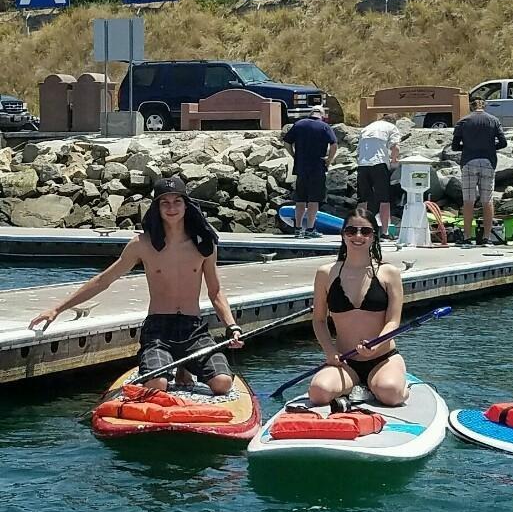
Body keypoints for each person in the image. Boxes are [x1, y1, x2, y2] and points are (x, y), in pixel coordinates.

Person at [27, 176, 242, 395]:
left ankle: (183, 366)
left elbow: (215, 292)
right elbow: (103, 280)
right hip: (159, 329)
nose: (171, 208)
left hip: (194, 329)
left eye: (177, 201)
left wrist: (232, 327)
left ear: (186, 205)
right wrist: (57, 309)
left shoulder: (204, 244)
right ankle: (171, 365)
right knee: (157, 386)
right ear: (156, 208)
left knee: (223, 384)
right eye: (164, 202)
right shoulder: (142, 245)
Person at [307, 209, 407, 407]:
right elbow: (319, 320)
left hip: (382, 358)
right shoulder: (325, 273)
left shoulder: (389, 273)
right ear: (343, 235)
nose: (358, 236)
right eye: (351, 231)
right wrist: (329, 351)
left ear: (373, 237)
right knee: (318, 393)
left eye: (365, 231)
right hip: (344, 361)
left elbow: (393, 320)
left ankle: (395, 384)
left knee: (391, 394)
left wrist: (377, 344)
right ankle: (358, 386)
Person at [451, 97, 507, 246]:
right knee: (487, 200)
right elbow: (503, 143)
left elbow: (455, 146)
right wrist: (489, 147)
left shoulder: (463, 122)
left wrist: (469, 147)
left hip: (469, 162)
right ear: (485, 106)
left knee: (468, 201)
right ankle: (487, 238)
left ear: (471, 106)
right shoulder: (494, 120)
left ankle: (467, 237)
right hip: (488, 162)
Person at [283, 104, 338, 237]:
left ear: (311, 113)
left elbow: (286, 142)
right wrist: (329, 160)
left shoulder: (299, 124)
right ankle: (310, 229)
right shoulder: (324, 126)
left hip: (301, 167)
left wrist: (294, 155)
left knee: (300, 200)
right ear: (322, 115)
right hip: (317, 167)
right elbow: (334, 145)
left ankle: (297, 228)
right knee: (314, 200)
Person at [356, 116, 401, 234]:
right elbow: (395, 148)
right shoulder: (392, 127)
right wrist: (394, 160)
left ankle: (359, 229)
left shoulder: (366, 128)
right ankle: (385, 232)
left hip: (362, 164)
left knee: (362, 200)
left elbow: (359, 150)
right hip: (379, 164)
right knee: (384, 200)